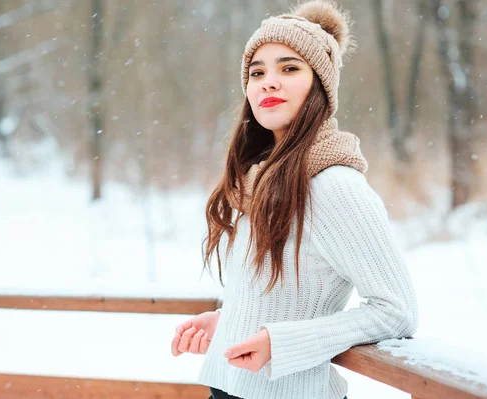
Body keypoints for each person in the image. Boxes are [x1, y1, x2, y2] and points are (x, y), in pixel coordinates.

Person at [170, 1, 419, 398]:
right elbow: (284, 297)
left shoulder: (334, 186)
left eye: (289, 68)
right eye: (257, 72)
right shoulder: (259, 180)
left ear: (320, 87)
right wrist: (230, 321)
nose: (268, 82)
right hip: (227, 387)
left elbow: (396, 311)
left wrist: (281, 343)